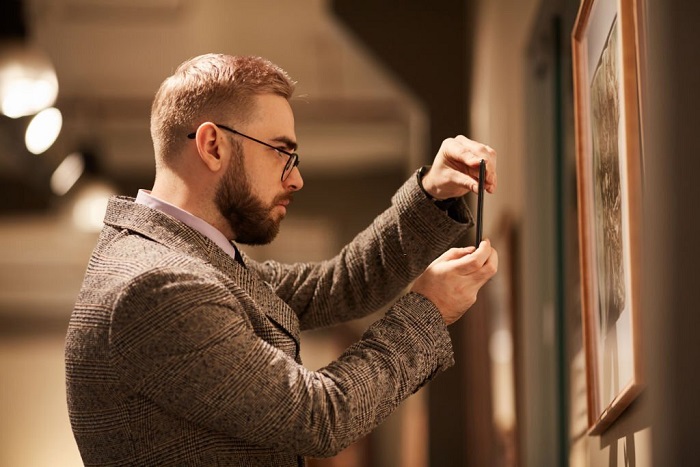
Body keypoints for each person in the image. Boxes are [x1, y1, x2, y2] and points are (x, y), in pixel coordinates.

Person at [65, 53, 498, 466]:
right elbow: (322, 416)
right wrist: (429, 309)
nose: (296, 178)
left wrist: (433, 195)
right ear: (212, 145)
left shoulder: (186, 260)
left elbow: (338, 286)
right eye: (280, 151)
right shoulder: (159, 286)